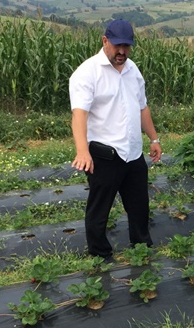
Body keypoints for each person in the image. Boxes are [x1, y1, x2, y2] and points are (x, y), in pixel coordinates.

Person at [69, 19, 162, 260]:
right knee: (100, 209)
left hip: (132, 153)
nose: (122, 52)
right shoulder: (88, 72)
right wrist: (82, 151)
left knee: (140, 206)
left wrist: (154, 138)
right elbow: (79, 115)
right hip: (104, 155)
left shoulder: (133, 71)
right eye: (118, 46)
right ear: (105, 41)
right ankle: (100, 254)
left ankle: (142, 248)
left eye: (127, 47)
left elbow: (142, 108)